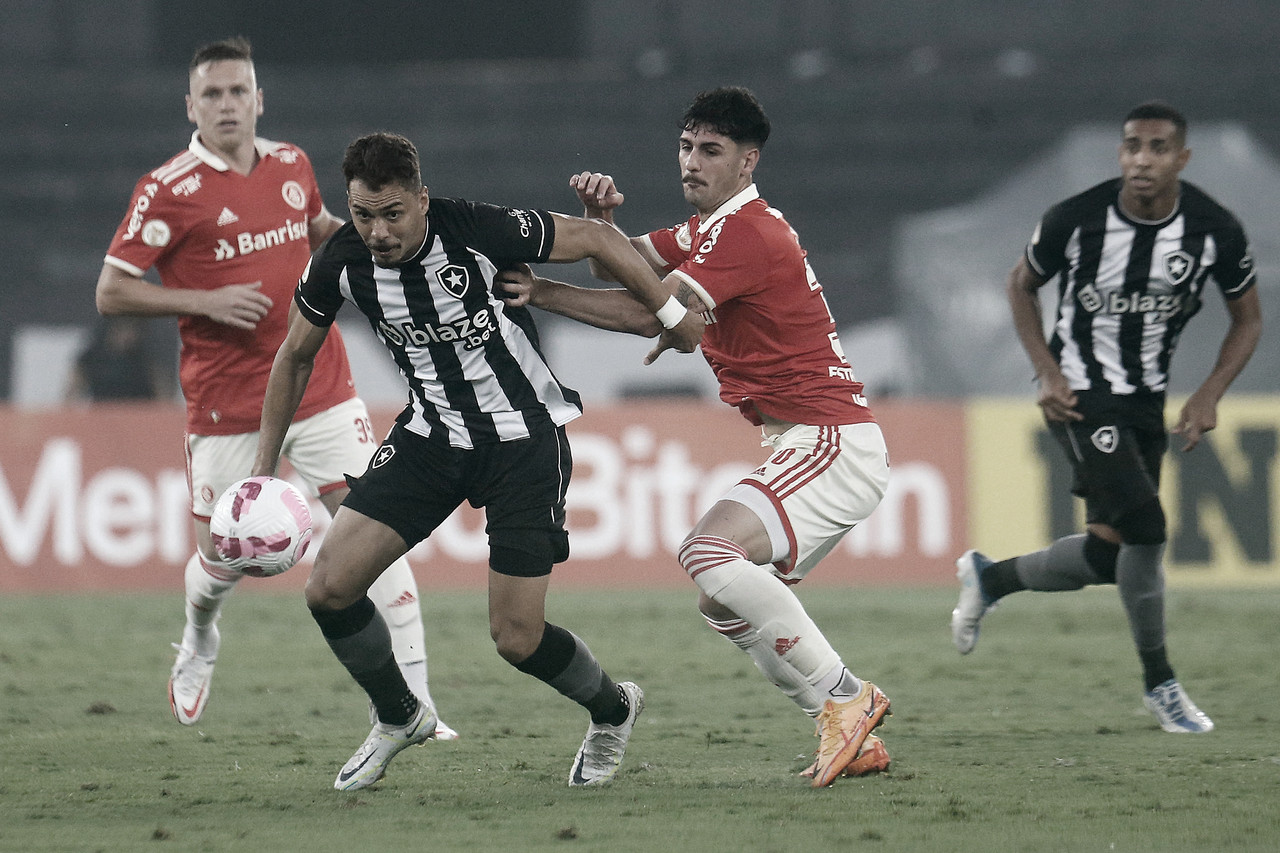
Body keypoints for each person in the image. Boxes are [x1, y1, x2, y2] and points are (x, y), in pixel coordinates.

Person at [249, 131, 703, 791]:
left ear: (423, 201)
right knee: (329, 588)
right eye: (364, 213)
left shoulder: (477, 229)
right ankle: (399, 713)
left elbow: (600, 241)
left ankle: (612, 708)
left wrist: (667, 311)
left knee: (516, 637)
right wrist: (264, 471)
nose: (377, 231)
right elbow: (293, 355)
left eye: (393, 213)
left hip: (524, 438)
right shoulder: (342, 260)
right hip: (432, 438)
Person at [497, 87, 891, 787]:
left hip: (829, 439)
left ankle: (846, 695)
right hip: (805, 440)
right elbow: (614, 264)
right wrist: (599, 221)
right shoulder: (703, 231)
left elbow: (651, 315)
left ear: (747, 162)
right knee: (720, 598)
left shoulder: (747, 233)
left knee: (708, 551)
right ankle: (845, 728)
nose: (692, 162)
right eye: (686, 147)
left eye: (710, 151)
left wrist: (542, 292)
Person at [96, 36, 455, 739]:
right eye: (213, 94)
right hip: (228, 404)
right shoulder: (167, 190)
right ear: (191, 106)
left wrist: (383, 247)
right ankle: (200, 637)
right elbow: (112, 290)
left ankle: (419, 704)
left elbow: (319, 229)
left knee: (376, 538)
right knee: (223, 560)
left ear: (259, 99)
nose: (227, 105)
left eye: (239, 92)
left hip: (320, 384)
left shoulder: (291, 163)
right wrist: (205, 302)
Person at [950, 101, 1262, 733]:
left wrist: (1209, 395)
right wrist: (1048, 372)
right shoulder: (1077, 218)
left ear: (1182, 157)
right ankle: (1162, 686)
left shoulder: (1213, 230)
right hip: (1082, 397)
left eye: (1156, 148)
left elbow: (1248, 319)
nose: (1142, 160)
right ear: (1121, 154)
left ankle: (990, 578)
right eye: (1131, 147)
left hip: (1146, 402)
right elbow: (1020, 284)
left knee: (1104, 557)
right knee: (1148, 528)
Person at [67, 316, 169, 402]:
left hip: (139, 418)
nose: (129, 335)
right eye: (123, 328)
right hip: (103, 418)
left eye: (133, 329)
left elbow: (163, 397)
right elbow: (71, 393)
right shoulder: (91, 359)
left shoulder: (146, 360)